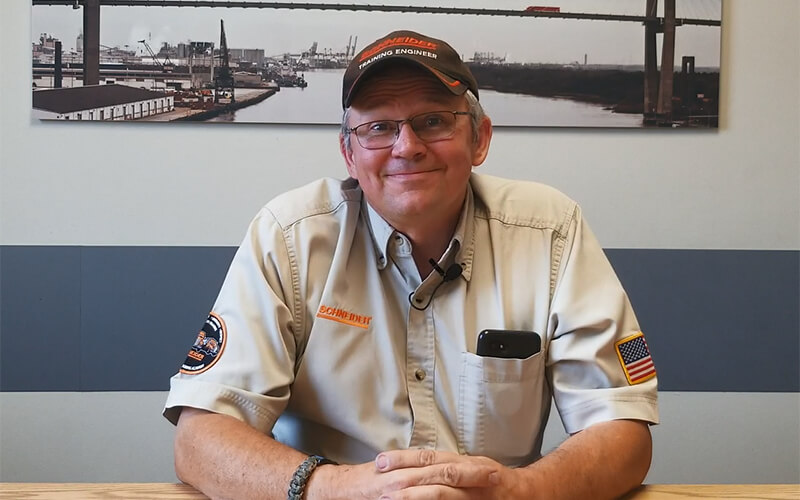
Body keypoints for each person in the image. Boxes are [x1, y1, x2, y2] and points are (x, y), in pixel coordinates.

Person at [164, 30, 658, 500]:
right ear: (349, 154)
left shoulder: (551, 232)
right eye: (379, 127)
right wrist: (336, 489)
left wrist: (518, 491)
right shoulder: (290, 237)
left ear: (480, 138)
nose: (407, 147)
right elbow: (199, 439)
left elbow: (622, 432)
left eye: (434, 121)